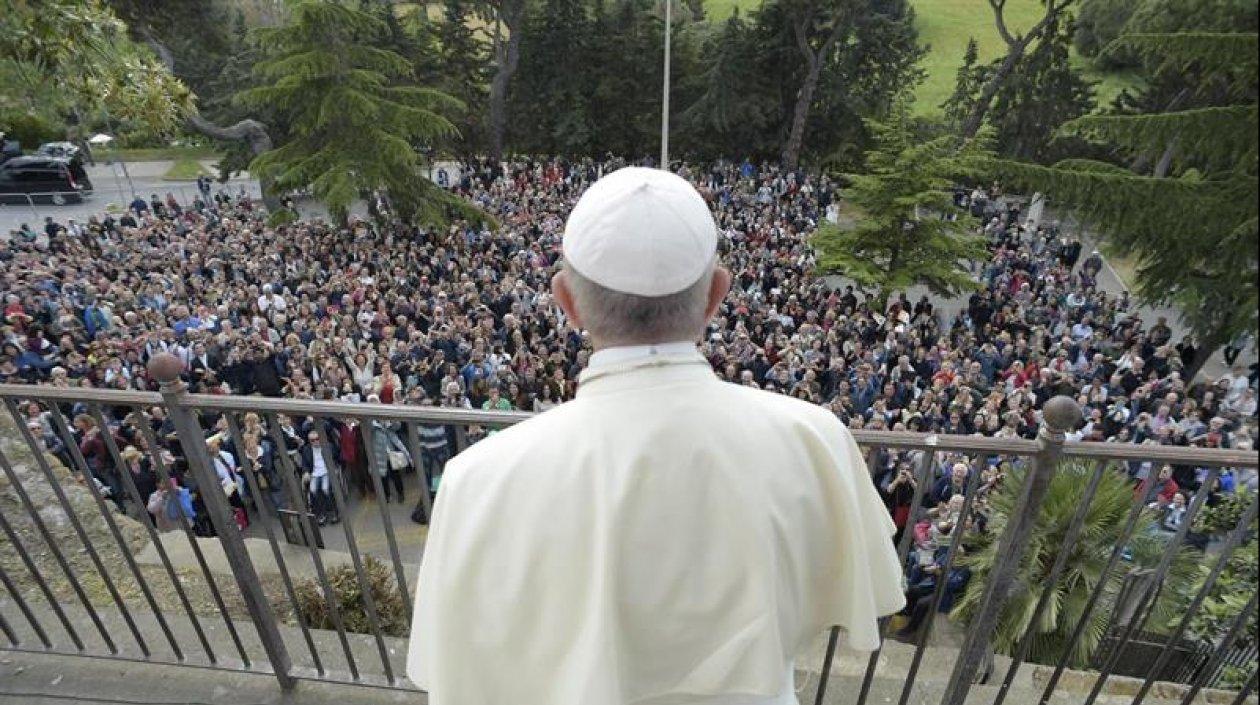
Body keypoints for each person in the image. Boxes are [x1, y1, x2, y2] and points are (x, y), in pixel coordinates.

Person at [408, 167, 904, 704]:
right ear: (717, 294)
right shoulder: (815, 440)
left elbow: (446, 670)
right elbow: (868, 592)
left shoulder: (475, 480)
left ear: (566, 300)